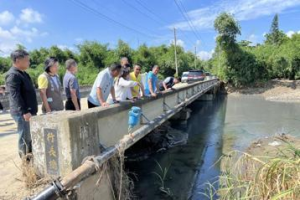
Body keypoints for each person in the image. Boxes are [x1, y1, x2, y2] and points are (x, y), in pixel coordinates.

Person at [5, 49, 38, 158]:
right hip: (23, 113)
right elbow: (15, 96)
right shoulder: (13, 75)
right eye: (27, 60)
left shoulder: (23, 74)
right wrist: (24, 111)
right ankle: (26, 162)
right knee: (25, 138)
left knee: (30, 136)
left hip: (28, 111)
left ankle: (31, 158)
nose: (29, 62)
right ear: (18, 60)